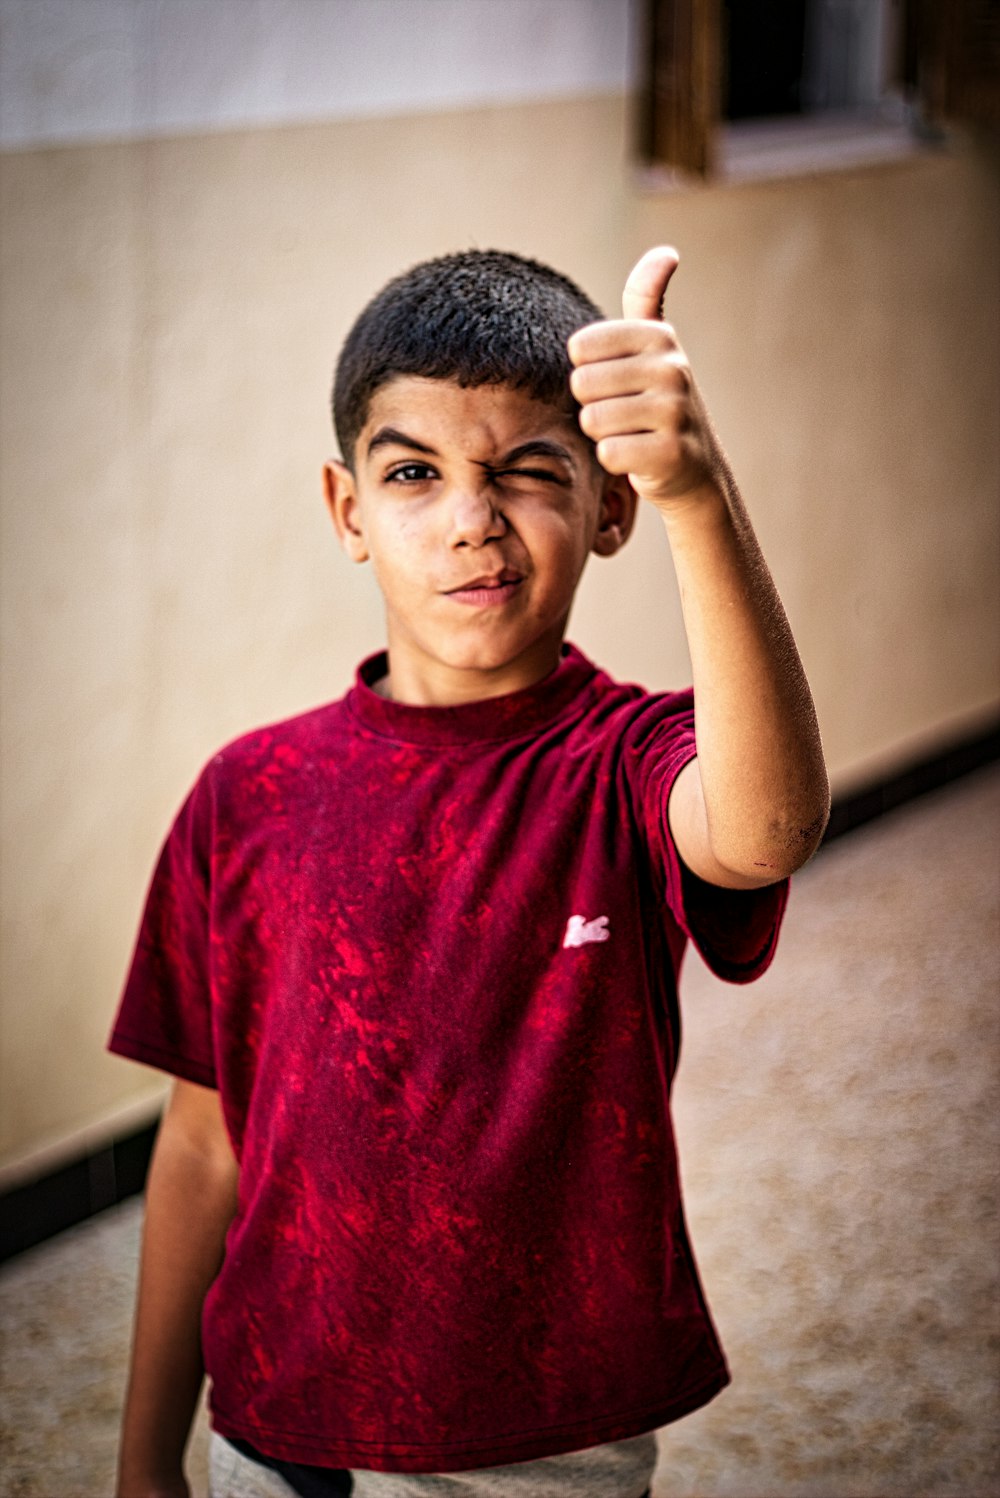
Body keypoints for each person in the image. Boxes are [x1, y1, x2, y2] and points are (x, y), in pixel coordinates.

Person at [110, 245, 830, 1498]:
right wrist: (142, 1457)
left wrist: (697, 495)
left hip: (537, 1447)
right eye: (413, 474)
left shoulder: (625, 760)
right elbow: (200, 1144)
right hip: (269, 1421)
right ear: (347, 511)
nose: (469, 519)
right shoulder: (247, 797)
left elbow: (762, 829)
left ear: (609, 509)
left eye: (526, 472)